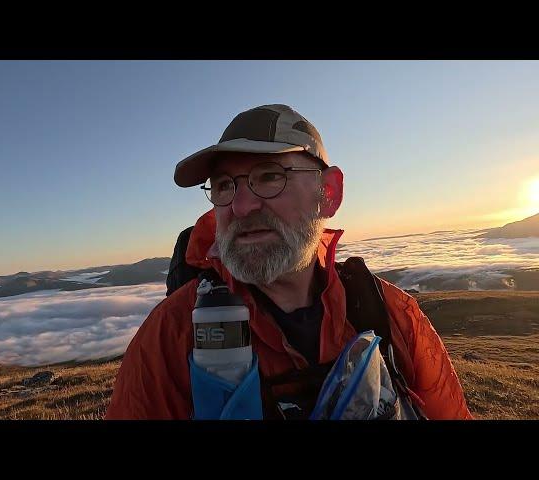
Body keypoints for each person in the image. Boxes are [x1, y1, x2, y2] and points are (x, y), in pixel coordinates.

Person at [104, 104, 472, 420]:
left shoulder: (390, 314)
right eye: (224, 185)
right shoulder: (172, 333)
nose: (241, 206)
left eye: (269, 176)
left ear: (328, 193)